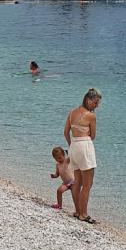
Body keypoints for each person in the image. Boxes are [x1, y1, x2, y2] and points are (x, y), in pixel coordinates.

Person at [63, 88, 102, 224]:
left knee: (77, 181)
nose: (97, 106)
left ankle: (77, 211)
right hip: (85, 146)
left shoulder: (72, 112)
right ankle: (83, 214)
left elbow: (66, 132)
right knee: (87, 184)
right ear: (88, 100)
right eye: (96, 102)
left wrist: (71, 145)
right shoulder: (91, 116)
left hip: (73, 146)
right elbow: (93, 135)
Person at [49, 145, 74, 210]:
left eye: (60, 157)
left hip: (73, 182)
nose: (58, 160)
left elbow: (72, 157)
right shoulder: (57, 165)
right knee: (59, 191)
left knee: (75, 195)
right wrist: (54, 176)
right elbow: (57, 174)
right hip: (65, 183)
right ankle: (59, 205)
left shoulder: (66, 161)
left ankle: (79, 208)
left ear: (64, 155)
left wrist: (69, 152)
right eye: (56, 158)